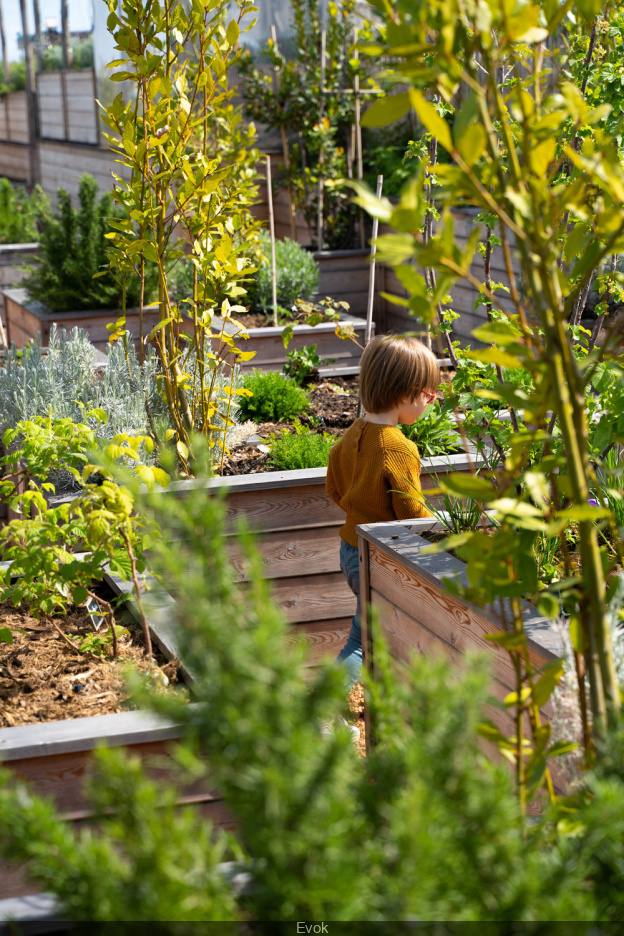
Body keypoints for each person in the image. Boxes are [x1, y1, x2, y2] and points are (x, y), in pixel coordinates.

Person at [326, 334, 440, 693]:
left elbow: (335, 487)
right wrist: (446, 532)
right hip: (378, 560)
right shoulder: (398, 447)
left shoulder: (352, 434)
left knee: (373, 634)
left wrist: (358, 509)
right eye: (428, 395)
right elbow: (412, 514)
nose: (429, 402)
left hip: (350, 550)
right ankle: (325, 711)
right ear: (406, 393)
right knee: (361, 641)